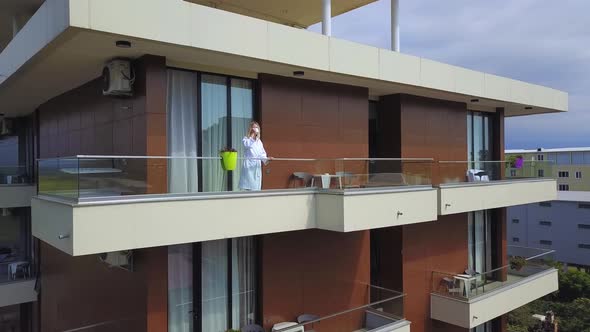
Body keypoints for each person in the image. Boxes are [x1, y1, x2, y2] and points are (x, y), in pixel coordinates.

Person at [238, 121, 272, 190]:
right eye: (253, 127)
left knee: (256, 188)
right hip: (249, 167)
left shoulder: (259, 142)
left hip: (257, 167)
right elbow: (247, 145)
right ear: (250, 129)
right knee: (248, 188)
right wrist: (252, 135)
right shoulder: (246, 139)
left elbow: (262, 155)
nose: (255, 129)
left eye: (256, 127)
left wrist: (268, 159)